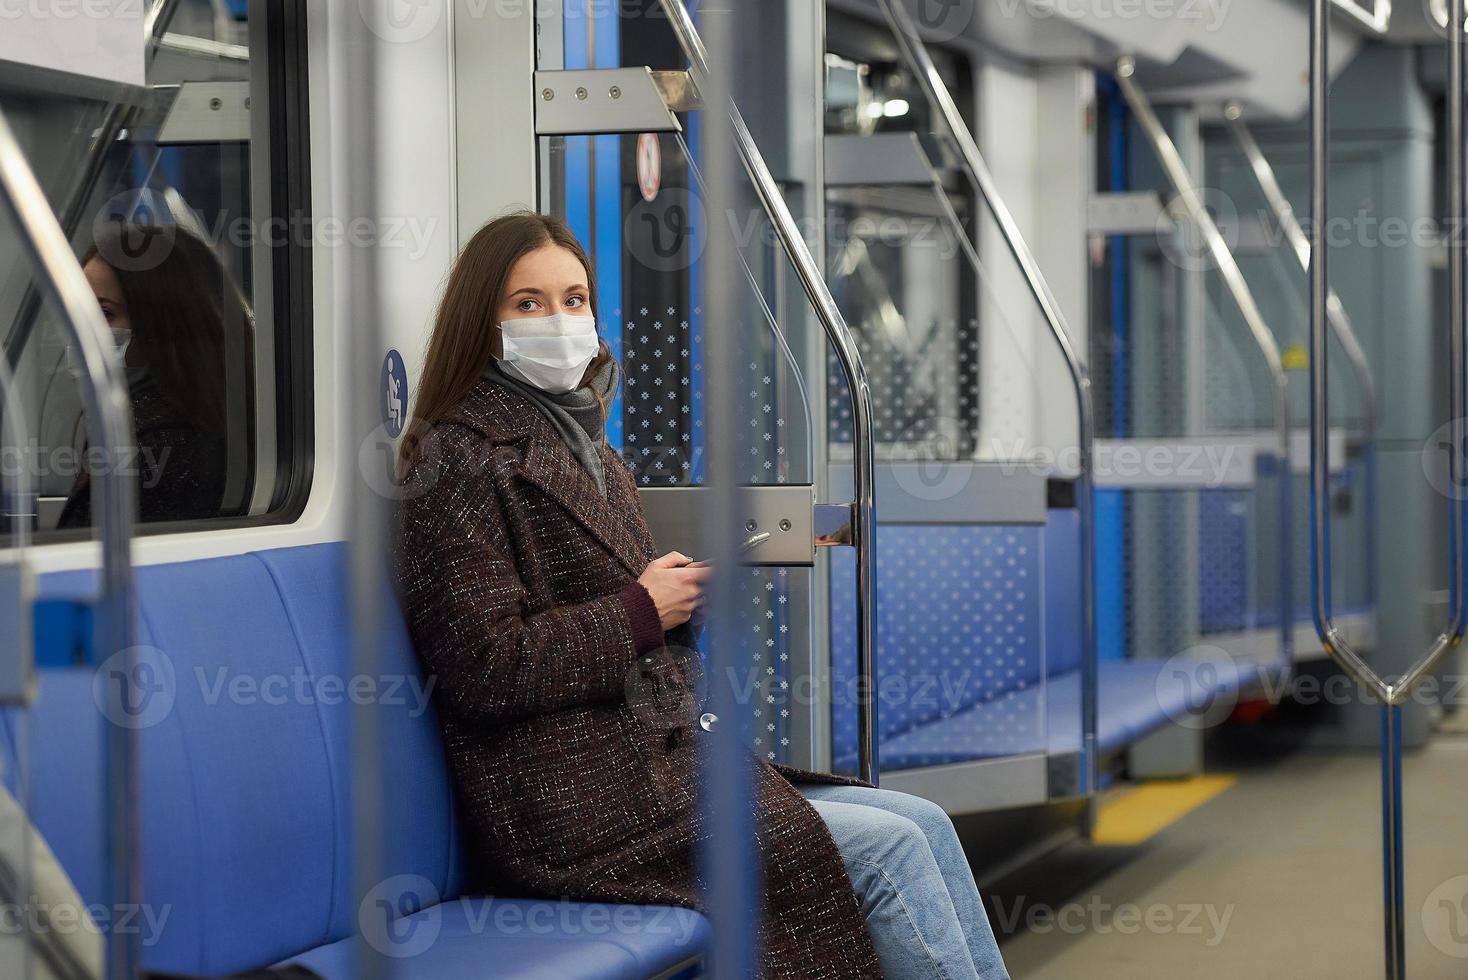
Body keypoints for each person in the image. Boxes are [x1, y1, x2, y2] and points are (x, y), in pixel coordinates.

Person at [394, 211, 1010, 979]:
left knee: (924, 820)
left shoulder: (589, 449)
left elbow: (615, 614)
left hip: (648, 765)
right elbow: (485, 666)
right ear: (481, 323)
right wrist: (642, 610)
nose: (559, 321)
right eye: (528, 303)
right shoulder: (455, 459)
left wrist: (672, 601)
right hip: (570, 799)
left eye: (574, 299)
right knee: (888, 850)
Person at [58, 224, 254, 528]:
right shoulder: (208, 416)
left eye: (105, 313)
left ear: (160, 323)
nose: (84, 329)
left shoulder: (153, 439)